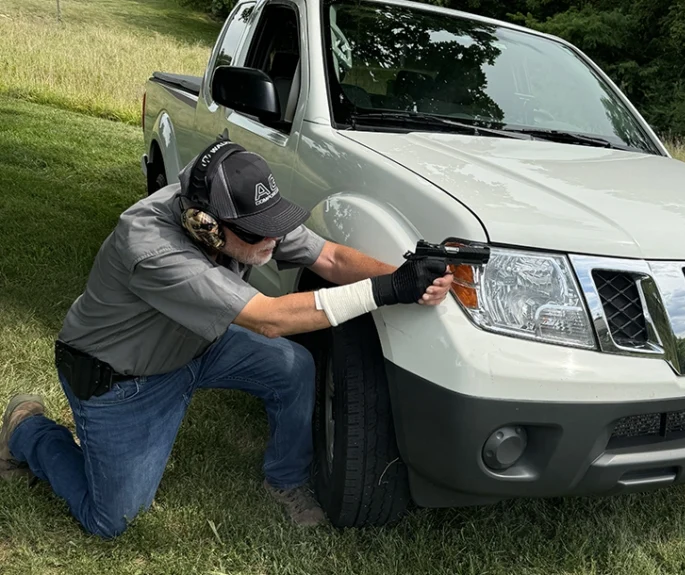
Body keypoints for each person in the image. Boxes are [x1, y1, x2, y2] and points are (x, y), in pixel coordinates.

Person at [0, 140, 453, 538]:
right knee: (112, 520)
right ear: (205, 225)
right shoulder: (151, 247)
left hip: (198, 344)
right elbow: (269, 319)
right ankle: (28, 430)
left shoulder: (243, 210)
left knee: (293, 367)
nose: (275, 238)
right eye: (260, 231)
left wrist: (405, 276)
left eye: (276, 221)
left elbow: (329, 257)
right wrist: (387, 291)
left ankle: (285, 480)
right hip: (122, 381)